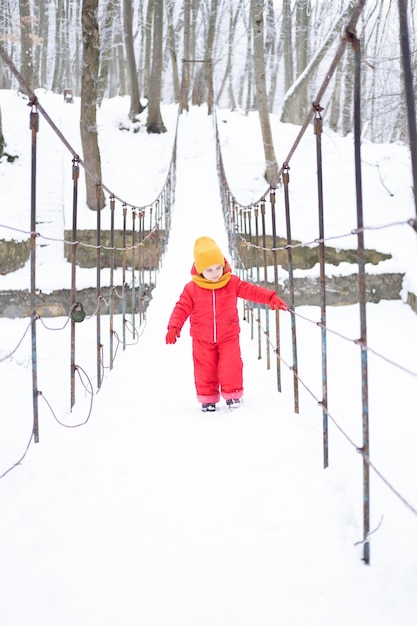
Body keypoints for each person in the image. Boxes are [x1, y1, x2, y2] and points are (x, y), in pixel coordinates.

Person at [165, 236, 287, 412]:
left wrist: (269, 297)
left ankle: (233, 395)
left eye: (218, 268)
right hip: (202, 338)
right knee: (204, 369)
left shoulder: (231, 282)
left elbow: (251, 290)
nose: (215, 273)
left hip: (228, 335)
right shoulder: (191, 289)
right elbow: (181, 307)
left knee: (231, 365)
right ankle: (208, 399)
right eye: (209, 270)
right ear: (200, 271)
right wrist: (174, 327)